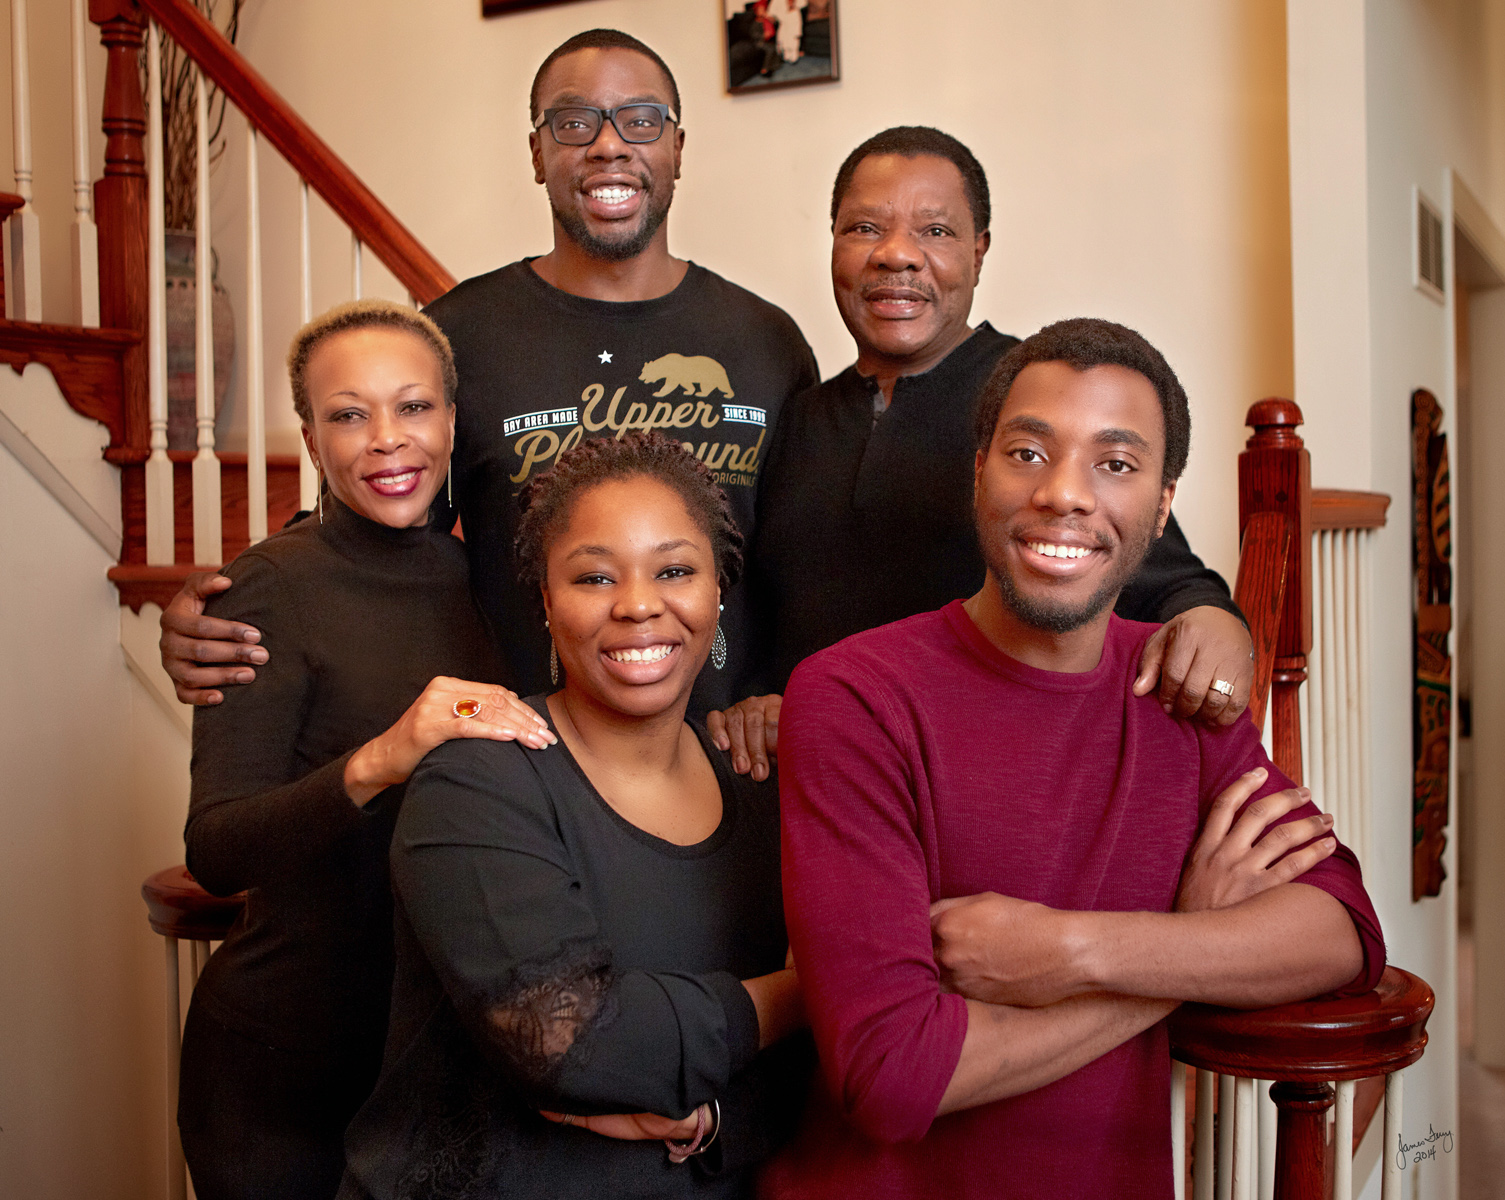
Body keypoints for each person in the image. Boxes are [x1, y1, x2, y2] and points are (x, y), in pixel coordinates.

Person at [762, 318, 1385, 1200]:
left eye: (1116, 464)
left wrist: (1071, 950)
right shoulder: (854, 696)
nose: (1064, 494)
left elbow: (1342, 933)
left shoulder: (1181, 695)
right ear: (977, 470)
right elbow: (893, 1079)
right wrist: (1180, 950)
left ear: (1161, 506)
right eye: (1027, 452)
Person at [156, 29, 817, 719]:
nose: (608, 144)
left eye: (640, 120)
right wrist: (235, 605)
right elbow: (369, 528)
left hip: (731, 748)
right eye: (573, 122)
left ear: (677, 146)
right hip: (524, 755)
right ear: (537, 153)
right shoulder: (459, 336)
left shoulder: (764, 343)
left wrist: (783, 692)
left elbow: (806, 563)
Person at [337, 432, 809, 1200]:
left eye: (675, 570)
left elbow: (820, 1071)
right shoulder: (477, 777)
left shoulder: (757, 779)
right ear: (546, 603)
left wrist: (709, 1116)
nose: (637, 604)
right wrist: (805, 992)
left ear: (718, 589)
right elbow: (573, 1041)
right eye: (594, 576)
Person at [718, 126, 1254, 780]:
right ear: (831, 243)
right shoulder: (796, 419)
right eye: (864, 228)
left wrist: (1213, 623)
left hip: (988, 771)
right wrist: (758, 702)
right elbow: (767, 616)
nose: (896, 256)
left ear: (979, 251)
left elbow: (1163, 580)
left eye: (934, 232)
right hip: (823, 771)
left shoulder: (1031, 400)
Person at [178, 301, 555, 1200]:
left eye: (413, 407)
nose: (388, 440)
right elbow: (216, 850)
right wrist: (386, 756)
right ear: (311, 439)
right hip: (284, 1067)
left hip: (440, 1065)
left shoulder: (496, 583)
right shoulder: (269, 586)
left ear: (453, 423)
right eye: (349, 414)